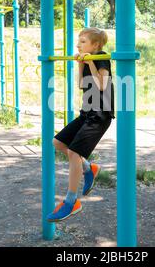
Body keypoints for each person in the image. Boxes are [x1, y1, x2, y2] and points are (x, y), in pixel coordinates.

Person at [47, 27, 115, 222]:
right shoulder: (88, 59)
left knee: (74, 153)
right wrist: (80, 65)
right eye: (79, 41)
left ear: (95, 45)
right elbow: (81, 84)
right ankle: (89, 168)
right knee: (58, 142)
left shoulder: (101, 56)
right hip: (87, 112)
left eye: (83, 41)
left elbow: (102, 85)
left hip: (101, 114)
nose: (78, 44)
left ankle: (71, 201)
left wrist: (91, 62)